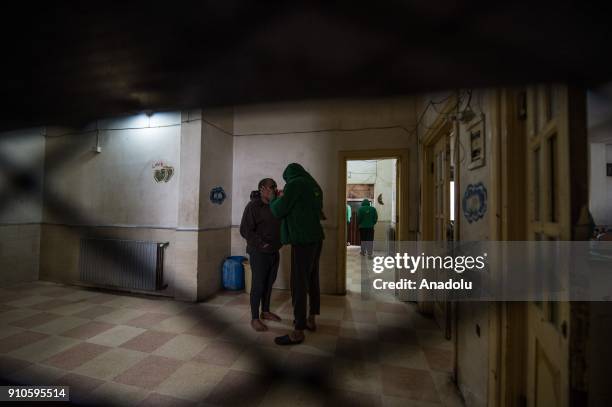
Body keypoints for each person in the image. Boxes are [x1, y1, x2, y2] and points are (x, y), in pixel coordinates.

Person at [270, 163, 324, 345]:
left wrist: (273, 199)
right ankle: (311, 318)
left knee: (298, 283)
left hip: (302, 240)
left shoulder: (294, 184)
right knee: (312, 278)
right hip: (316, 238)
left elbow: (279, 210)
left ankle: (298, 330)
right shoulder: (314, 185)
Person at [240, 178, 283, 332]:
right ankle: (254, 318)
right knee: (258, 284)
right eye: (272, 187)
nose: (274, 190)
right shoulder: (253, 206)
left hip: (274, 250)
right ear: (262, 188)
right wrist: (261, 244)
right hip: (259, 251)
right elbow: (245, 230)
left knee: (269, 282)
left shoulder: (275, 205)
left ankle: (265, 311)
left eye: (275, 187)